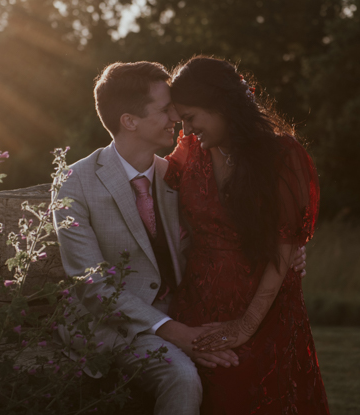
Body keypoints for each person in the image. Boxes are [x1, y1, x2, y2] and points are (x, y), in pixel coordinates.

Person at [52, 61, 307, 415]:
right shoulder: (73, 183)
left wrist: (293, 248)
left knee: (238, 369)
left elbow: (236, 222)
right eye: (165, 109)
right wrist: (175, 332)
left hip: (186, 315)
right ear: (130, 121)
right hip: (113, 325)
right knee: (184, 377)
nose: (176, 117)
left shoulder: (178, 173)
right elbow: (91, 283)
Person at [164, 56, 330, 414]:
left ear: (221, 105)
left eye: (191, 117)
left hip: (267, 311)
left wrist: (245, 326)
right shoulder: (190, 151)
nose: (188, 130)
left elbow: (283, 247)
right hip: (199, 309)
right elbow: (148, 183)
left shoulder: (282, 155)